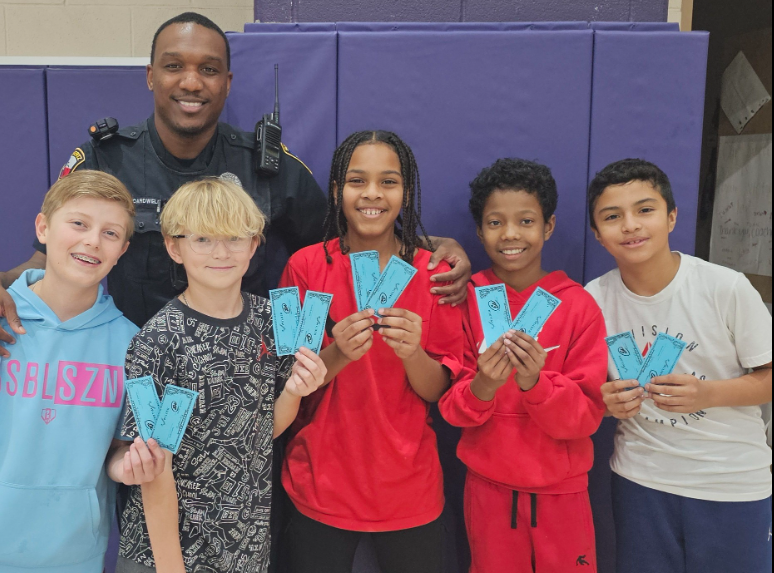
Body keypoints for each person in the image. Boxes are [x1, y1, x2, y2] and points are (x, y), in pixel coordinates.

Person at [0, 12, 472, 359]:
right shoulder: (106, 160)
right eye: (174, 66)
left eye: (209, 69)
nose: (192, 82)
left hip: (250, 382)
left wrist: (429, 246)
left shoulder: (270, 168)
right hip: (144, 372)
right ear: (151, 76)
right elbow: (55, 259)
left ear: (227, 82)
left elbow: (347, 240)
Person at [0, 171, 165, 573]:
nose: (92, 240)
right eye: (79, 223)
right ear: (43, 227)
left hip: (78, 559)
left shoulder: (131, 343)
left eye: (110, 233)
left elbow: (117, 451)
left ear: (123, 250)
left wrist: (129, 465)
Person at [114, 178, 327, 573]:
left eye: (234, 237)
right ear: (174, 247)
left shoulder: (271, 321)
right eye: (203, 240)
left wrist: (294, 391)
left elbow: (264, 429)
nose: (221, 252)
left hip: (244, 549)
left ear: (253, 245)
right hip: (161, 555)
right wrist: (172, 568)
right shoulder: (156, 341)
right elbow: (153, 468)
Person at [278, 130, 464, 573]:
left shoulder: (434, 272)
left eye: (389, 181)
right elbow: (286, 381)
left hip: (409, 488)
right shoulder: (304, 267)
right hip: (318, 483)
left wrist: (413, 353)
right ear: (338, 190)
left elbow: (440, 390)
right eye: (357, 180)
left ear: (407, 190)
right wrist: (339, 353)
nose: (373, 194)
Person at [586, 159, 772, 573]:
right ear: (598, 235)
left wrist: (708, 394)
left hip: (730, 482)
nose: (631, 225)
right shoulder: (592, 299)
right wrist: (604, 403)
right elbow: (585, 394)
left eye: (645, 210)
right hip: (640, 481)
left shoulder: (725, 287)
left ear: (671, 217)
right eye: (612, 217)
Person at [438, 158, 606, 573]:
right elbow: (449, 405)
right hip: (487, 489)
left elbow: (587, 416)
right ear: (479, 231)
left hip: (563, 494)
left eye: (526, 221)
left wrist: (536, 383)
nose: (511, 234)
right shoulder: (466, 299)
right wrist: (483, 386)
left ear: (547, 227)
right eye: (495, 223)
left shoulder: (577, 305)